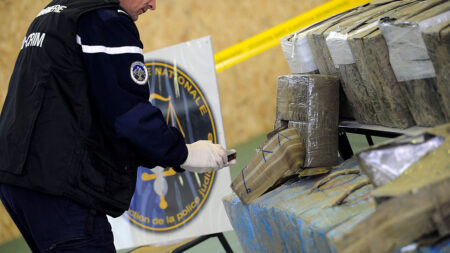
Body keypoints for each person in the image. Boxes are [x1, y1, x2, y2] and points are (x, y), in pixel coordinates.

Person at [0, 0, 235, 251]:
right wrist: (183, 153)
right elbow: (127, 116)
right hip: (61, 189)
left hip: (19, 179)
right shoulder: (105, 20)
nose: (152, 5)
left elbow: (88, 109)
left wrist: (174, 156)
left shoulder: (56, 11)